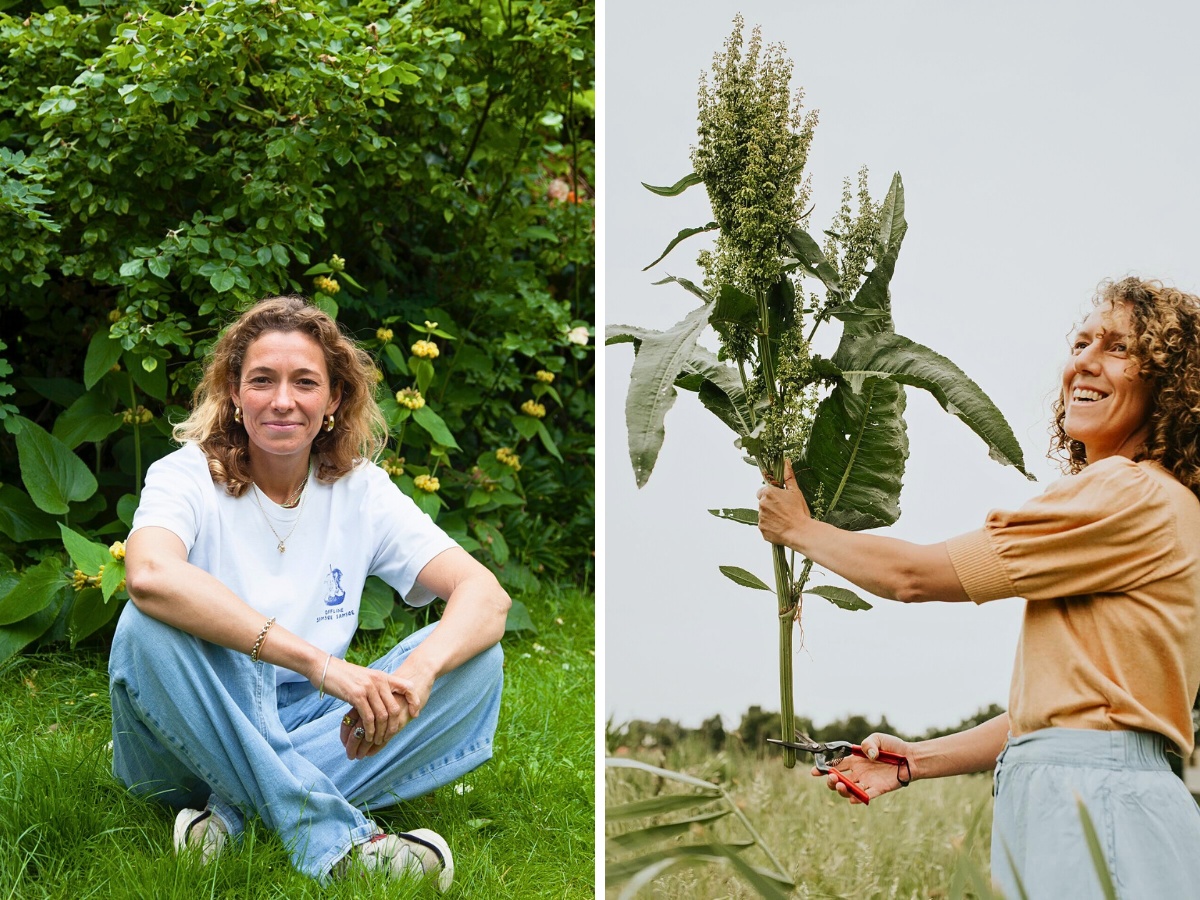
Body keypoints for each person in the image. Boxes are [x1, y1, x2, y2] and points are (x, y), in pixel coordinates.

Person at [757, 277, 1200, 897]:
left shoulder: (1129, 495)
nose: (1084, 362)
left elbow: (913, 576)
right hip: (1089, 793)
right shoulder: (1154, 504)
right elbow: (1051, 719)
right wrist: (913, 761)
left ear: (1167, 382)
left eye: (1119, 348)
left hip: (1095, 802)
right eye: (1081, 342)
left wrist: (800, 531)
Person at [109, 295, 509, 889]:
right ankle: (337, 844)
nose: (282, 400)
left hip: (317, 720)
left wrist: (419, 674)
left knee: (476, 655)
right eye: (262, 380)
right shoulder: (185, 474)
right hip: (196, 718)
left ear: (333, 399)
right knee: (145, 627)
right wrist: (322, 665)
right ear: (235, 394)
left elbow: (485, 594)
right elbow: (148, 575)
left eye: (304, 382)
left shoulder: (361, 491)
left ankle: (231, 818)